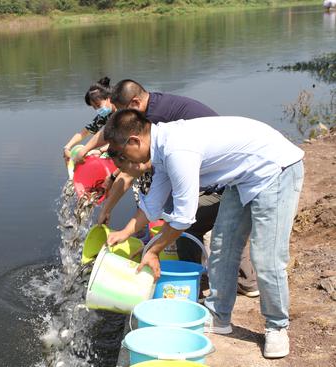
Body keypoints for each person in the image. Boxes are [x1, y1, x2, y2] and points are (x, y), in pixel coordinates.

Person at [104, 109, 304, 359]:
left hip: (275, 170)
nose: (127, 163)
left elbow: (185, 217)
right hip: (242, 178)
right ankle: (219, 315)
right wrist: (123, 233)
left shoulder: (177, 150)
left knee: (266, 258)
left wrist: (154, 250)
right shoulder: (162, 149)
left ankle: (277, 327)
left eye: (123, 155)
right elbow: (152, 204)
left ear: (134, 141)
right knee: (221, 246)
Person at [80, 79, 259, 297]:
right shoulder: (154, 123)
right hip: (217, 170)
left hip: (238, 175)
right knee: (176, 214)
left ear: (134, 104)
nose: (123, 121)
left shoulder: (158, 128)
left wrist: (150, 246)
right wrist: (126, 231)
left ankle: (213, 280)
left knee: (192, 221)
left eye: (123, 114)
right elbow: (145, 189)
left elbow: (135, 176)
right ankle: (196, 273)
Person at [62, 77, 115, 165]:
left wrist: (100, 150)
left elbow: (122, 139)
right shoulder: (105, 115)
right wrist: (67, 147)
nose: (98, 110)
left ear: (108, 98)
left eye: (98, 105)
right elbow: (83, 133)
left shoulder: (123, 113)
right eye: (94, 108)